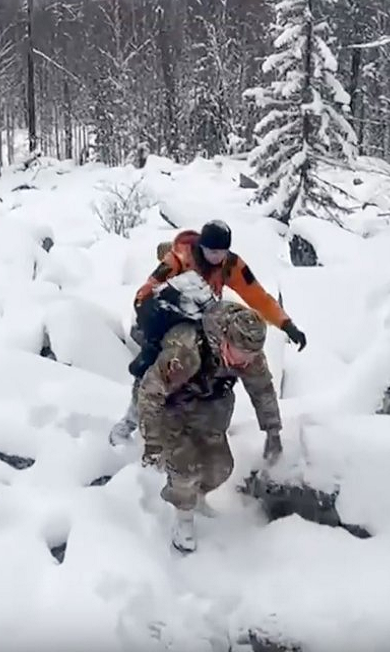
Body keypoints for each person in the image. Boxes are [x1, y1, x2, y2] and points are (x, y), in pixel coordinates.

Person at [108, 219, 306, 446]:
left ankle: (194, 431)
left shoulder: (229, 264)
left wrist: (286, 324)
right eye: (212, 252)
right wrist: (158, 303)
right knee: (157, 366)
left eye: (222, 251)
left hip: (206, 318)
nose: (217, 257)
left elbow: (257, 295)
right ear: (201, 246)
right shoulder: (178, 259)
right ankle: (130, 422)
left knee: (210, 375)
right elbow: (145, 291)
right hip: (168, 319)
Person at [136, 300, 283, 553]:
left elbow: (263, 390)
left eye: (252, 356)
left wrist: (272, 430)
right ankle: (183, 520)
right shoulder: (186, 351)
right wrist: (152, 441)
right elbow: (150, 392)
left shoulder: (250, 354)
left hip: (210, 408)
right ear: (226, 341)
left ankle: (197, 499)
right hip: (171, 407)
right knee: (185, 467)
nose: (246, 362)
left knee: (221, 467)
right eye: (242, 354)